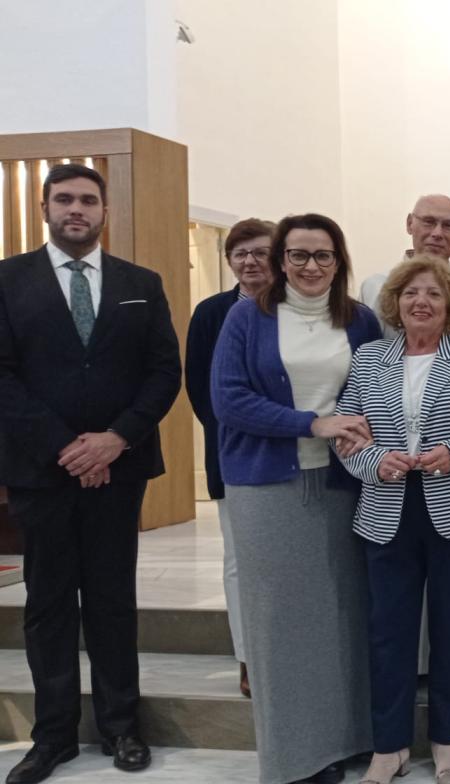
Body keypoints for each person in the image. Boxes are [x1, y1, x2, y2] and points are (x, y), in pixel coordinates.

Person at [0, 164, 181, 784]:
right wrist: (67, 449)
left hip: (120, 466)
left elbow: (163, 372)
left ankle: (121, 727)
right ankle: (52, 737)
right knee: (48, 605)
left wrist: (113, 441)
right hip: (39, 471)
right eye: (64, 199)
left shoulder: (141, 282)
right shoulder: (7, 280)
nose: (76, 209)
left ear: (105, 211)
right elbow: (3, 377)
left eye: (87, 200)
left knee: (111, 600)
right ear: (46, 208)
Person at [212, 213, 382, 784]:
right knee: (280, 622)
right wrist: (313, 424)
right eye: (300, 255)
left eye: (324, 256)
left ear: (339, 262)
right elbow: (229, 400)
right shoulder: (246, 318)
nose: (311, 267)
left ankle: (347, 741)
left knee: (343, 615)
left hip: (344, 485)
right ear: (281, 259)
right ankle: (292, 757)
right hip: (267, 486)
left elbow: (379, 392)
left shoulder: (359, 321)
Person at [337, 255, 450, 784]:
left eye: (434, 294)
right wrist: (375, 461)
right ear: (394, 302)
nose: (422, 302)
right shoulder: (369, 358)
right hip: (387, 509)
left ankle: (446, 742)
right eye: (412, 293)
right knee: (388, 633)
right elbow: (349, 433)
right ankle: (388, 747)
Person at [185, 217, 276, 700]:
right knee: (239, 560)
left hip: (300, 457)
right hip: (233, 455)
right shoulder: (210, 313)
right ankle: (248, 656)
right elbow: (201, 390)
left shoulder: (295, 308)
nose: (250, 261)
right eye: (240, 254)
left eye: (260, 251)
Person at [360, 194, 450, 336]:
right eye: (428, 222)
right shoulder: (375, 287)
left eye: (448, 226)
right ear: (409, 224)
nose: (437, 233)